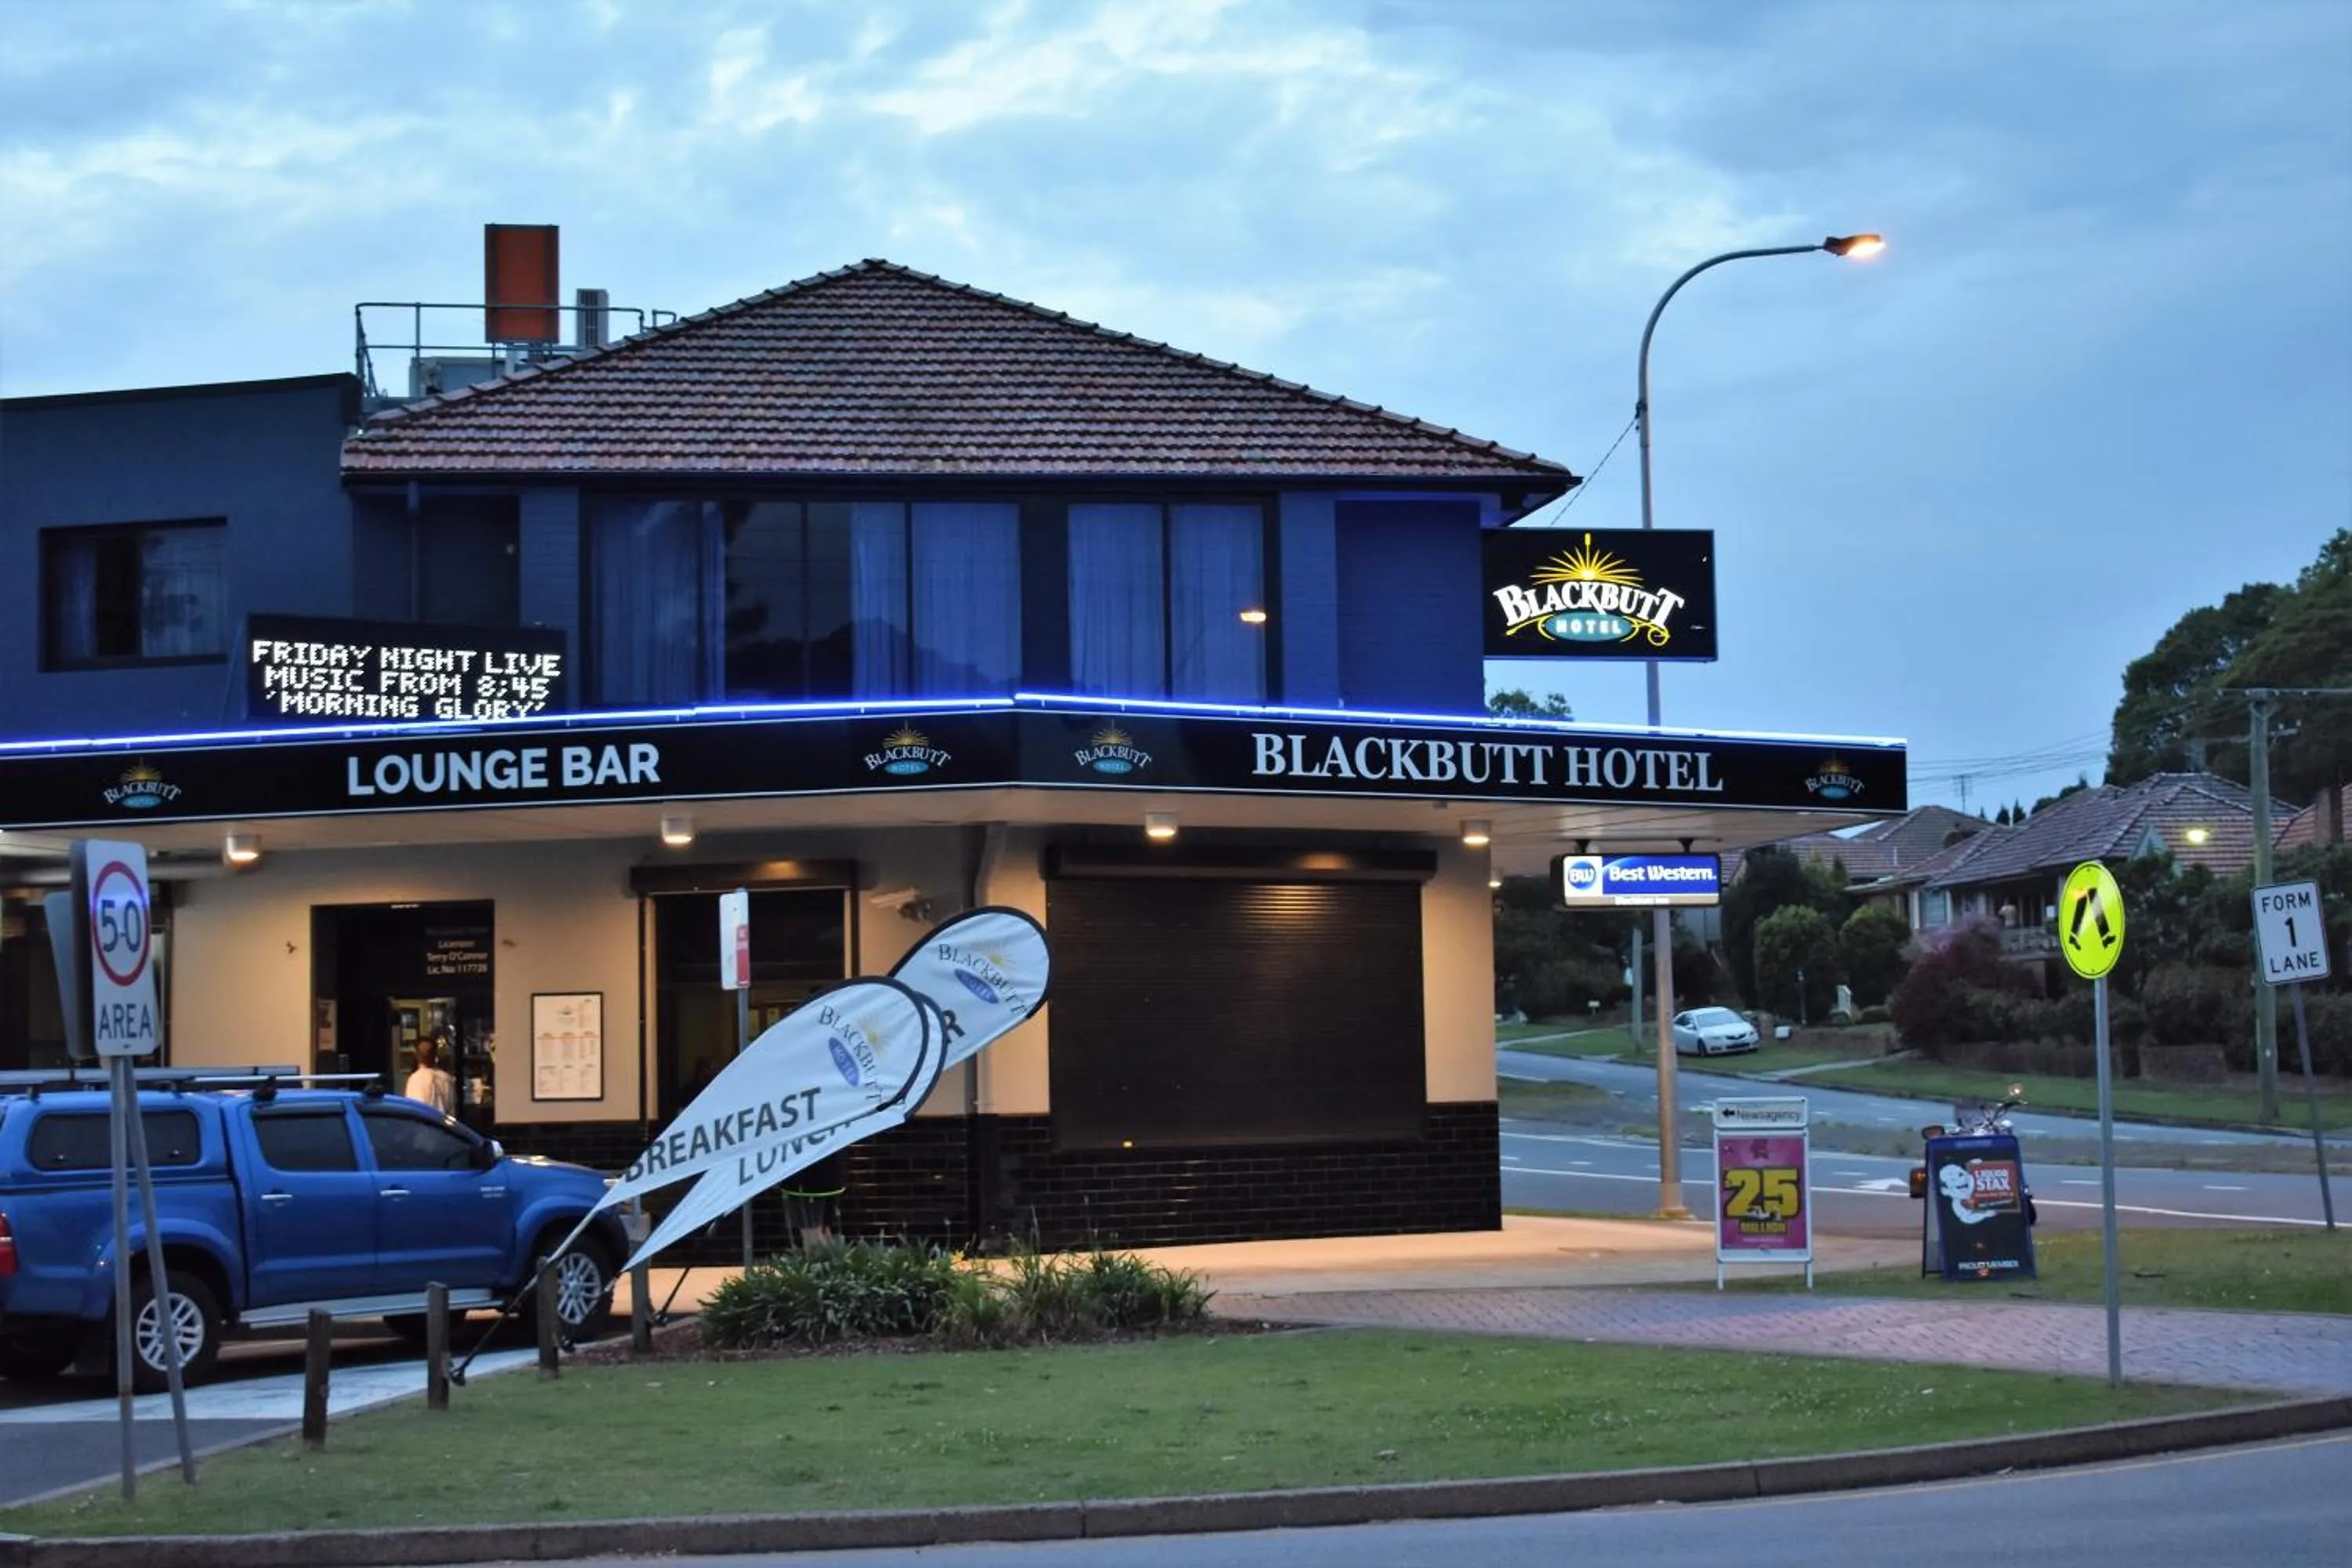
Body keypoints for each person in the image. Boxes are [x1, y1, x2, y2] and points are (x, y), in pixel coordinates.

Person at [405, 1032, 458, 1116]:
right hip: (443, 1126)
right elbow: (452, 1107)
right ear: (435, 1055)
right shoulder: (447, 1079)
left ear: (416, 1055)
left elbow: (413, 1110)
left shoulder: (415, 1080)